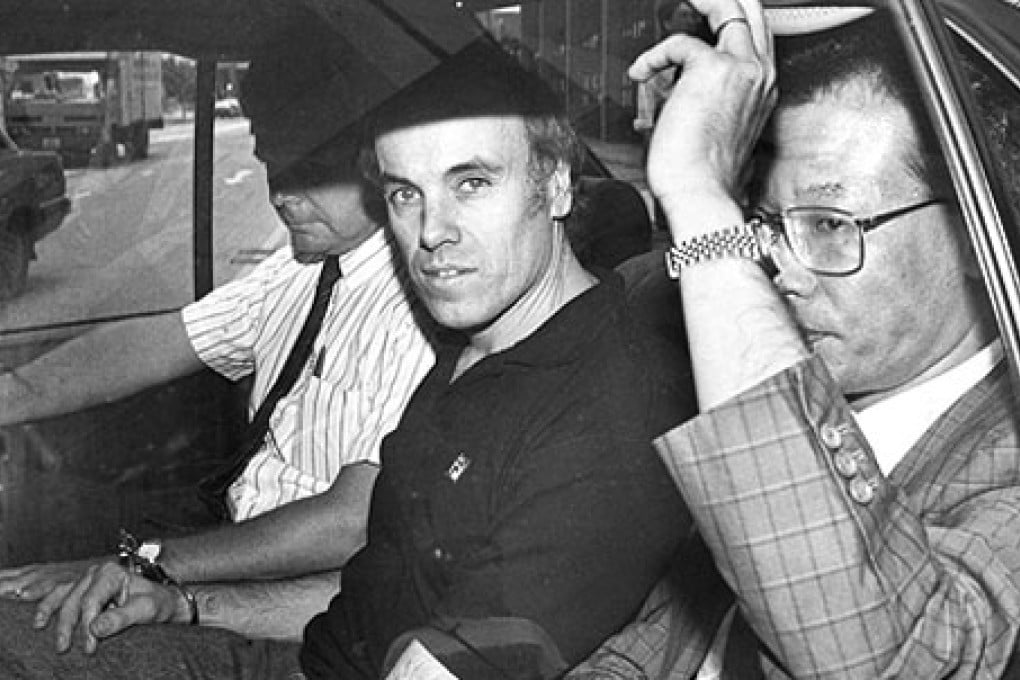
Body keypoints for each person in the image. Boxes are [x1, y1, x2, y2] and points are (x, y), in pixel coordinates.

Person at [572, 0, 1020, 678]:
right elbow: (653, 652)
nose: (780, 266)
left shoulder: (1003, 459)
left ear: (969, 234)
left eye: (832, 224)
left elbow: (887, 655)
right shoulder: (804, 399)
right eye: (769, 223)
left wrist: (699, 200)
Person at [0, 22, 435, 665]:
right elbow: (155, 345)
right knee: (25, 543)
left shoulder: (422, 305)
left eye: (310, 171)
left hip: (296, 616)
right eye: (272, 165)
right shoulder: (297, 271)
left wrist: (149, 564)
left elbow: (351, 521)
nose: (281, 195)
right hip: (223, 539)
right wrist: (11, 393)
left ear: (379, 164)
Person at [298, 41, 695, 679]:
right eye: (406, 194)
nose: (431, 232)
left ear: (558, 185)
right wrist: (191, 607)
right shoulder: (478, 341)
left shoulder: (613, 408)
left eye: (472, 183)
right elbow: (380, 605)